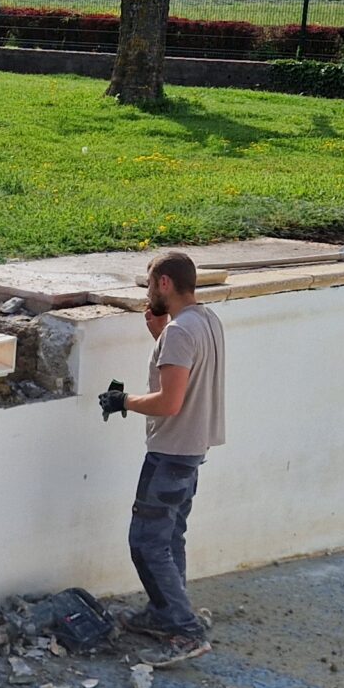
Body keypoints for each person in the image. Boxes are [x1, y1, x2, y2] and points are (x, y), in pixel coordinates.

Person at [123, 250, 225, 664]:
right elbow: (189, 371)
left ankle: (185, 631)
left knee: (146, 543)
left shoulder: (180, 332)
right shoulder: (205, 320)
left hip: (171, 451)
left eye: (150, 285)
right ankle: (166, 613)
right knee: (169, 537)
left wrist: (123, 401)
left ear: (164, 283)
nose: (149, 293)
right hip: (192, 449)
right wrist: (159, 335)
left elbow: (169, 402)